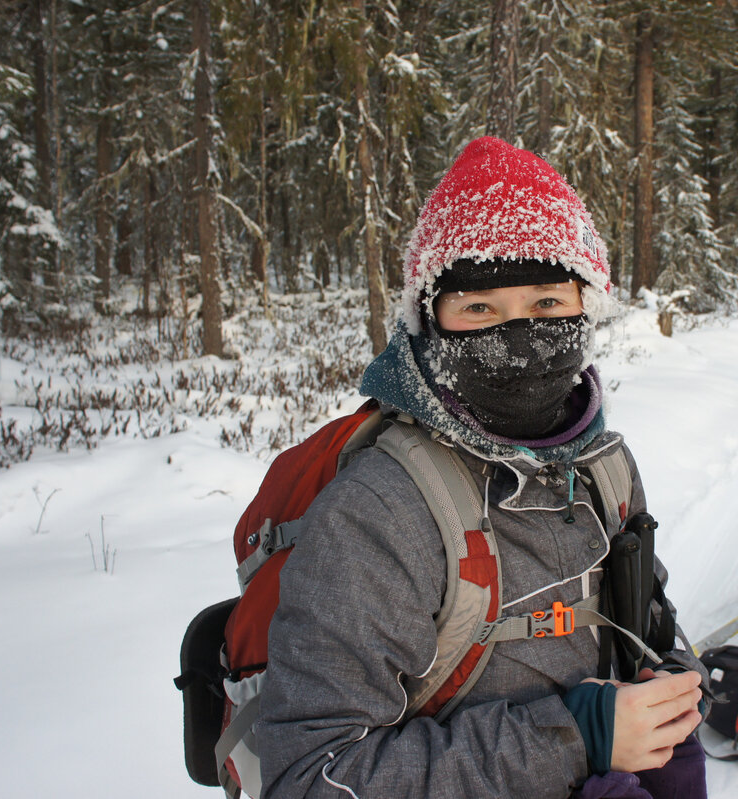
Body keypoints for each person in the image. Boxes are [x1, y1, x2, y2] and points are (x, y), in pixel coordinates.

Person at [258, 136, 708, 799]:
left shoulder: (605, 469)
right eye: (479, 309)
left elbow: (644, 622)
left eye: (548, 304)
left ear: (587, 308)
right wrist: (575, 738)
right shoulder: (381, 512)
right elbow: (310, 780)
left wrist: (669, 686)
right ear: (429, 321)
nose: (519, 336)